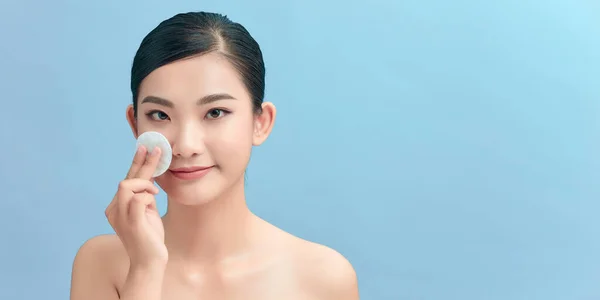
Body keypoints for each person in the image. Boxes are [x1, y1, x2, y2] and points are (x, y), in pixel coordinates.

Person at [69, 11, 359, 300]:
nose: (185, 145)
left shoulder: (323, 278)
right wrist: (145, 270)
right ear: (135, 125)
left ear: (261, 122)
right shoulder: (102, 264)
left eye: (215, 112)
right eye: (160, 115)